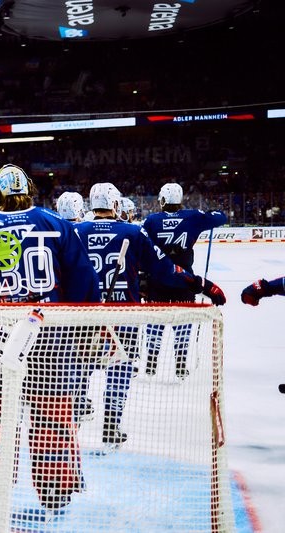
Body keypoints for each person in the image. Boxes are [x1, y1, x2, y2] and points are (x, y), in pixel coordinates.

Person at [0, 164, 100, 512]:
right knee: (53, 417)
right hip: (52, 340)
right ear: (29, 187)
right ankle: (56, 492)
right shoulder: (56, 224)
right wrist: (87, 332)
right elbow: (83, 283)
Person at [74, 182, 226, 449]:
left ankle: (72, 417)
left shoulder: (76, 232)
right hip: (126, 316)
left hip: (86, 315)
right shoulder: (132, 233)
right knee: (120, 370)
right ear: (114, 204)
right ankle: (111, 426)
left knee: (79, 367)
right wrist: (202, 284)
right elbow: (166, 270)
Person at [142, 182, 228, 376]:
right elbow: (220, 217)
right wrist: (210, 212)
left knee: (155, 322)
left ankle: (150, 364)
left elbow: (142, 246)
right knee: (184, 322)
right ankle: (180, 366)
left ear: (163, 200)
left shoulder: (151, 220)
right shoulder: (192, 216)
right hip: (186, 280)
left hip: (158, 280)